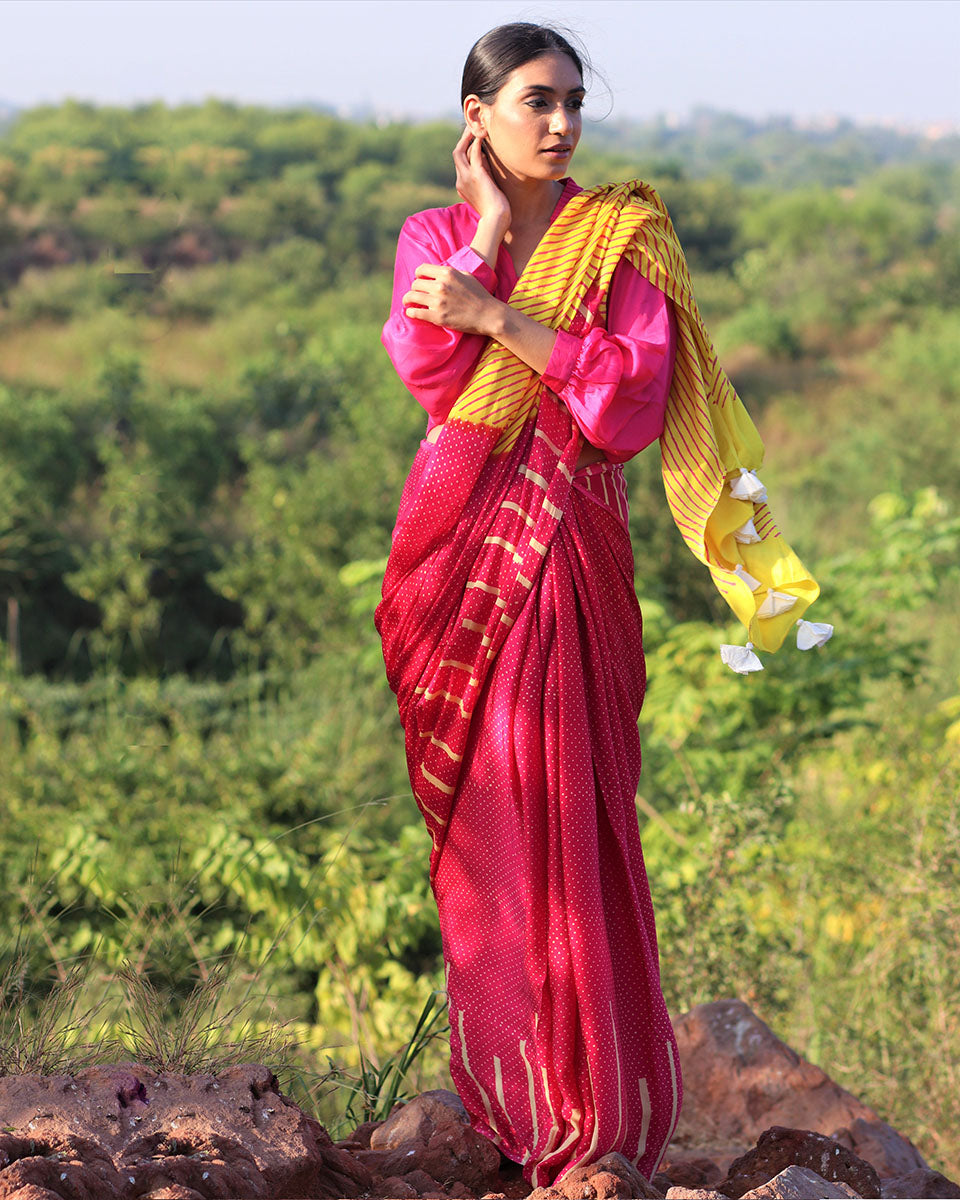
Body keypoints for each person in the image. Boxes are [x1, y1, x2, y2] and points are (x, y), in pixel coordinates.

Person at [375, 21, 819, 1189]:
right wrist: (479, 241)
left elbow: (630, 398)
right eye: (536, 101)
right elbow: (426, 369)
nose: (563, 121)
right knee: (492, 813)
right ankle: (513, 1099)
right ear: (479, 116)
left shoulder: (619, 238)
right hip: (454, 545)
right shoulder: (433, 235)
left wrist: (502, 324)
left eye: (575, 100)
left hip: (571, 541)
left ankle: (596, 1116)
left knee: (574, 797)